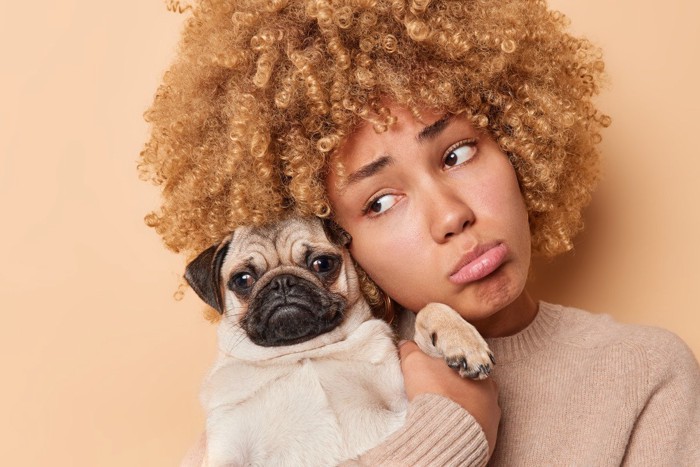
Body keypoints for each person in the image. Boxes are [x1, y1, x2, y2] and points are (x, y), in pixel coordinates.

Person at [140, 0, 700, 464]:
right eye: (380, 201)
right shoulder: (282, 385)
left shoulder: (645, 375)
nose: (450, 216)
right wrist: (444, 433)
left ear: (516, 140)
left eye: (457, 153)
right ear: (337, 240)